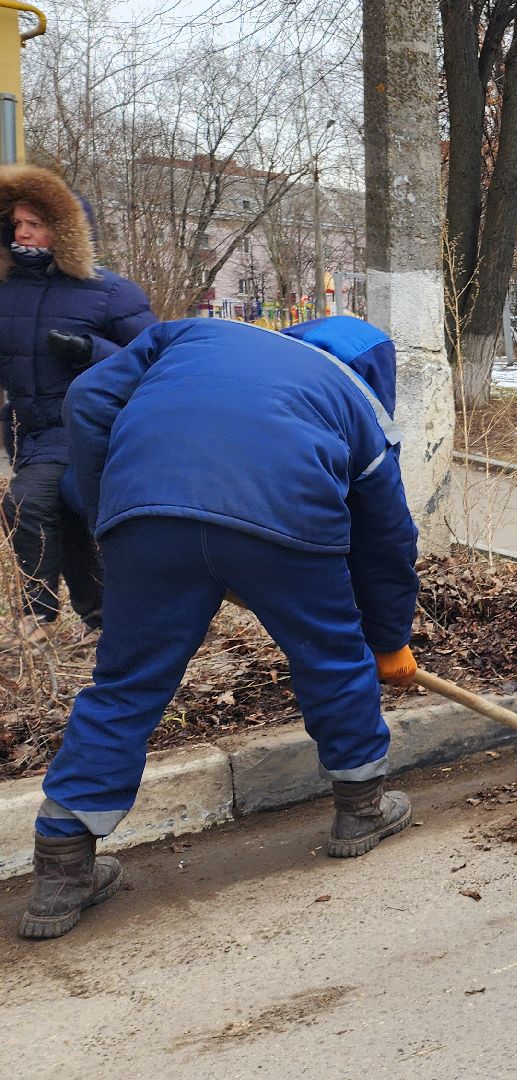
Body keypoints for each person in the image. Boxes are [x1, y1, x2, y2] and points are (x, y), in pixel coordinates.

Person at [19, 316, 421, 940]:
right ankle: (362, 809)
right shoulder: (357, 400)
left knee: (125, 684)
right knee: (330, 654)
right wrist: (388, 640)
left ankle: (61, 867)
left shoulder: (194, 334)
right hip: (287, 513)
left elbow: (89, 398)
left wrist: (113, 514)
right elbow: (387, 541)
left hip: (146, 512)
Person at [0, 165, 156, 646]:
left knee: (25, 501)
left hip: (90, 425)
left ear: (64, 230)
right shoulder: (4, 293)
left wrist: (93, 352)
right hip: (28, 431)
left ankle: (37, 617)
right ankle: (104, 620)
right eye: (16, 223)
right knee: (68, 519)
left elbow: (157, 357)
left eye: (36, 223)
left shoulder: (111, 292)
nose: (23, 232)